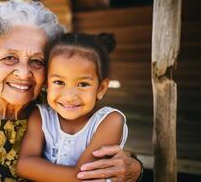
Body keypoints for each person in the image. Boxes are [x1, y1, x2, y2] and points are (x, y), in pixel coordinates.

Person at [0, 0, 142, 182]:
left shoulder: (56, 102)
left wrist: (135, 168)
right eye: (9, 58)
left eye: (37, 61)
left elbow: (103, 146)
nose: (24, 73)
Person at [17, 33, 129, 182]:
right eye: (59, 82)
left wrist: (39, 170)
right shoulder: (41, 116)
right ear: (46, 84)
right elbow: (24, 165)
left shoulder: (109, 121)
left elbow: (85, 176)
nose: (69, 96)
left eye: (82, 84)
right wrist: (73, 176)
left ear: (101, 88)